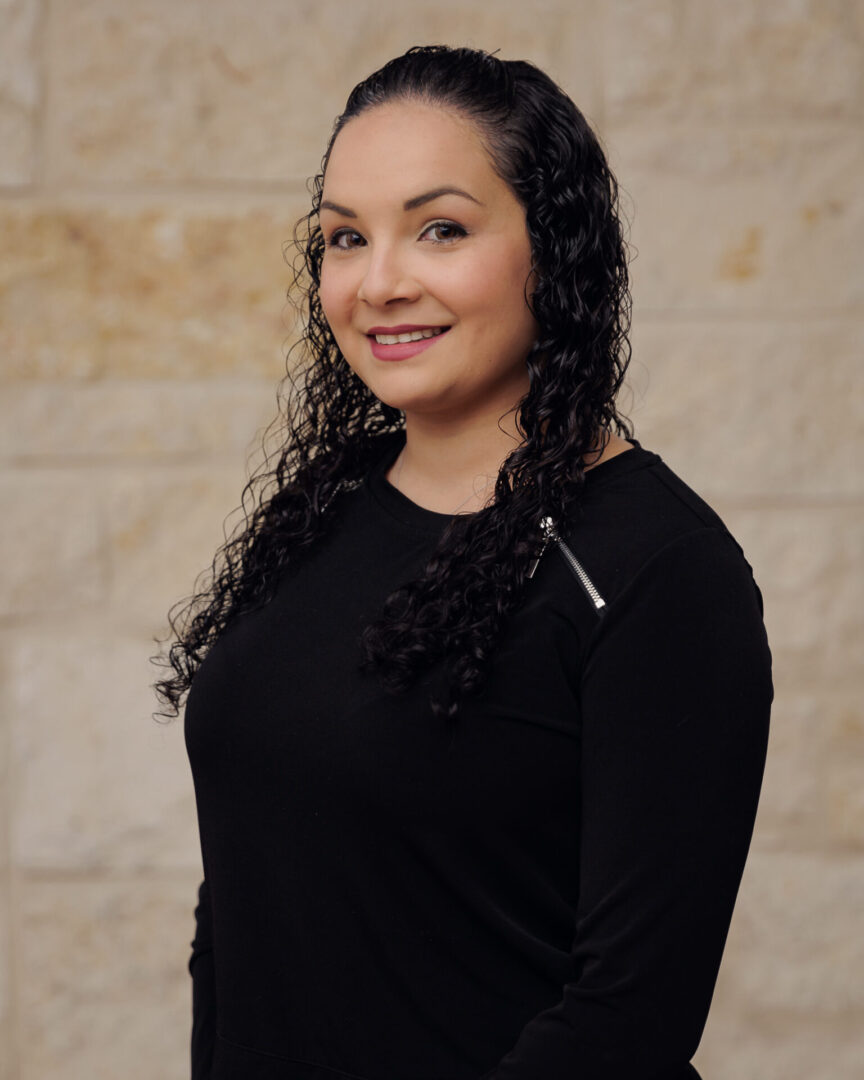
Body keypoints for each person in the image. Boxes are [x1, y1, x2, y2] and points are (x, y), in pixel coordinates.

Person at [153, 45, 773, 1080]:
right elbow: (251, 892)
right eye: (346, 237)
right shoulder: (328, 512)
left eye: (440, 228)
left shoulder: (658, 568)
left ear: (555, 250)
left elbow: (627, 1019)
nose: (381, 281)